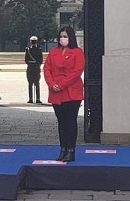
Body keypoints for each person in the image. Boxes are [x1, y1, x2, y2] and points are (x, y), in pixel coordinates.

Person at [43, 26, 85, 162]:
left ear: (70, 38)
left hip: (71, 91)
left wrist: (61, 85)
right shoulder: (53, 52)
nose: (62, 39)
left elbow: (77, 72)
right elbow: (47, 68)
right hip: (56, 91)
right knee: (61, 121)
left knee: (70, 121)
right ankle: (63, 149)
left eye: (65, 36)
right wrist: (51, 84)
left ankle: (71, 150)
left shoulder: (78, 52)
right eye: (61, 36)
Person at [25, 35, 43, 104]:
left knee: (30, 84)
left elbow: (26, 60)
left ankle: (30, 98)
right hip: (36, 68)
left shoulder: (28, 50)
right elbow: (41, 60)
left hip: (30, 68)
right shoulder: (39, 50)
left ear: (30, 42)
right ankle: (38, 98)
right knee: (37, 84)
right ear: (36, 42)